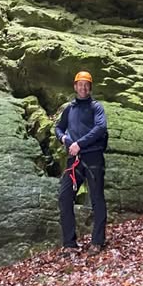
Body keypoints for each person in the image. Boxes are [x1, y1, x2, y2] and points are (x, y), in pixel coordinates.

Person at [55, 70, 108, 255]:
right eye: (80, 85)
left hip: (93, 157)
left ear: (90, 87)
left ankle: (97, 241)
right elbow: (59, 128)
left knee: (96, 198)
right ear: (75, 86)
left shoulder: (96, 107)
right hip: (74, 159)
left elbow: (100, 128)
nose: (83, 88)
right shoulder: (69, 109)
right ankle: (69, 243)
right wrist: (64, 139)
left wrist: (79, 143)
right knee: (65, 197)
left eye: (86, 85)